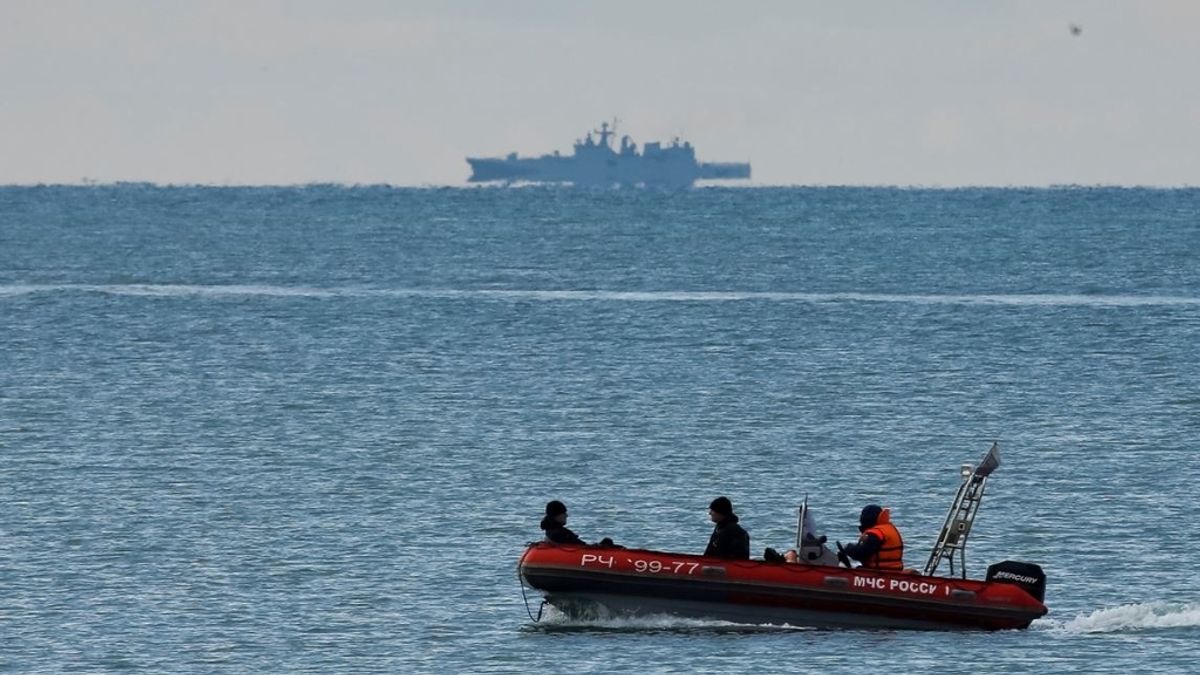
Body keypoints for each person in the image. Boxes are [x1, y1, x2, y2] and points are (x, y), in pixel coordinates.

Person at [839, 504, 904, 571]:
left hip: (879, 572)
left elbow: (861, 554)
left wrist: (848, 548)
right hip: (895, 571)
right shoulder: (889, 529)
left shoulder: (876, 534)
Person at [539, 500, 615, 547]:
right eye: (563, 513)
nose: (566, 515)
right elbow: (578, 546)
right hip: (575, 552)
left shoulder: (551, 531)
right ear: (556, 516)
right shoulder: (559, 533)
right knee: (607, 541)